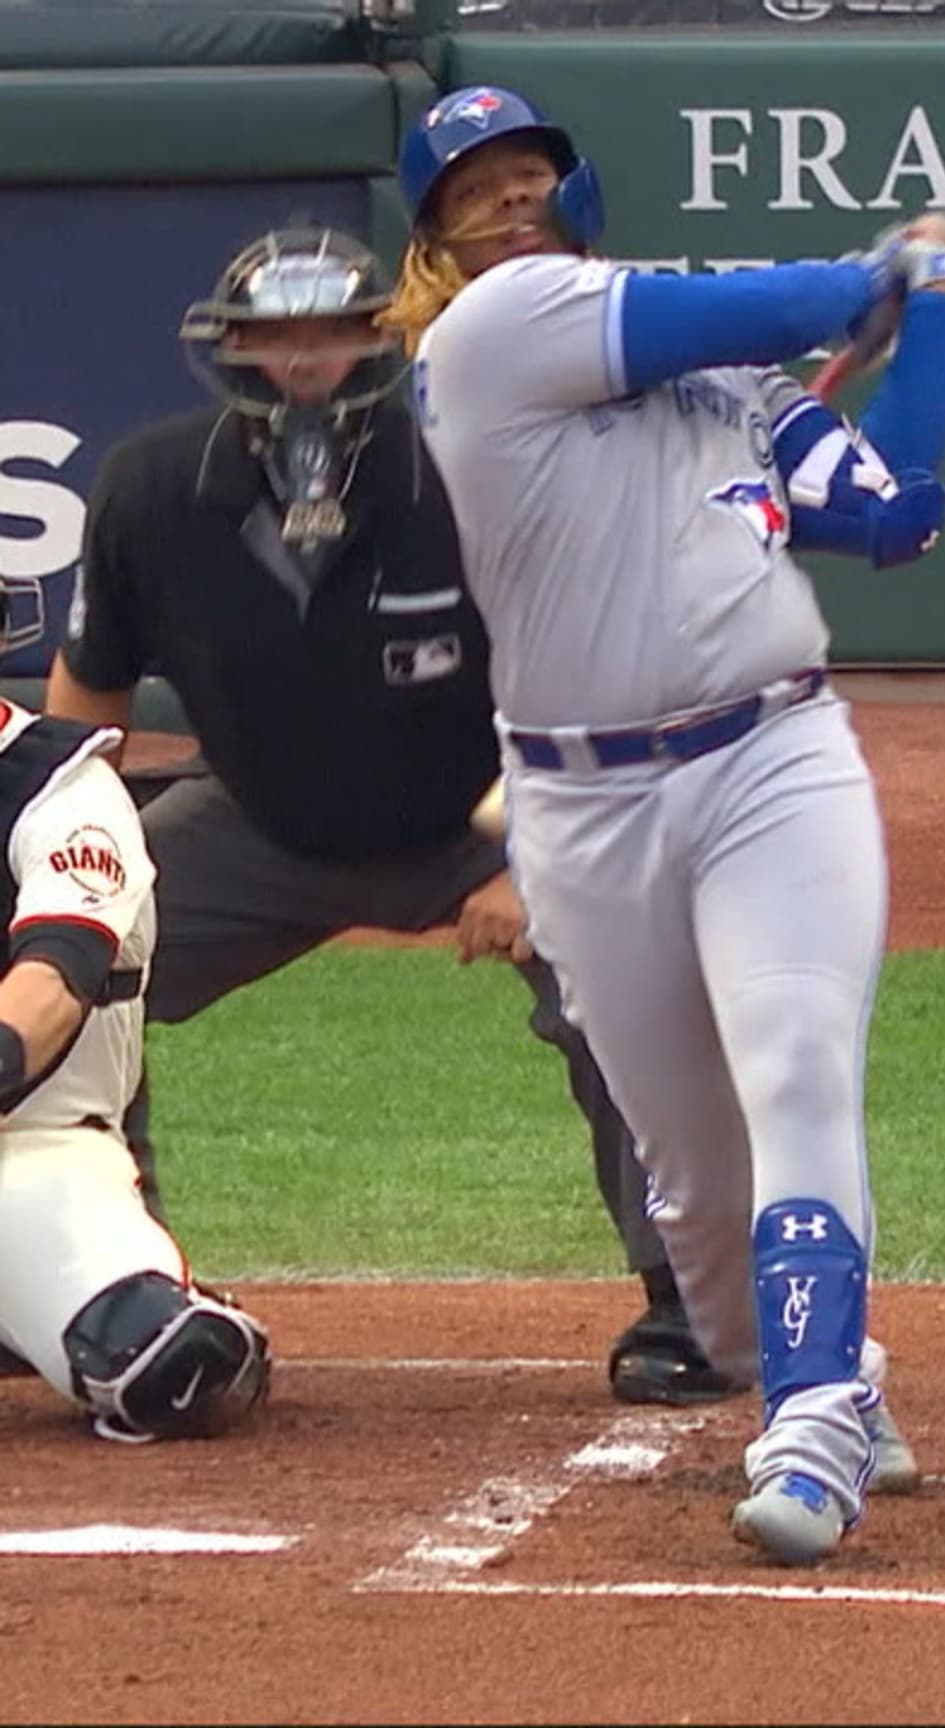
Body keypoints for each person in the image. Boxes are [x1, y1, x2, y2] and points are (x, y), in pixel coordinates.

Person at [386, 84, 945, 1562]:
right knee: (701, 1211)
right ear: (440, 241)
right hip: (586, 805)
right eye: (474, 188)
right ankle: (817, 1362)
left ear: (575, 190)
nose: (510, 198)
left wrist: (943, 313)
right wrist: (888, 272)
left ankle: (818, 1422)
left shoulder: (733, 395)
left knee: (794, 1067)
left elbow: (895, 513)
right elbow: (784, 302)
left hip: (774, 760)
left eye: (530, 172)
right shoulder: (492, 335)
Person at [44, 225, 720, 1407]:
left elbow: (586, 685)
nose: (304, 362)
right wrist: (66, 869)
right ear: (231, 352)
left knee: (627, 967)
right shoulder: (151, 485)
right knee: (62, 967)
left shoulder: (479, 475)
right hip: (259, 817)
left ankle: (697, 1297)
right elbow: (87, 703)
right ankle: (100, 1288)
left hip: (482, 814)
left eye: (332, 331)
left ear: (382, 341)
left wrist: (525, 860)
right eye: (274, 338)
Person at [0, 695, 271, 1445]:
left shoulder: (60, 789)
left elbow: (52, 985)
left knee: (162, 1360)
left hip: (29, 1148)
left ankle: (97, 1290)